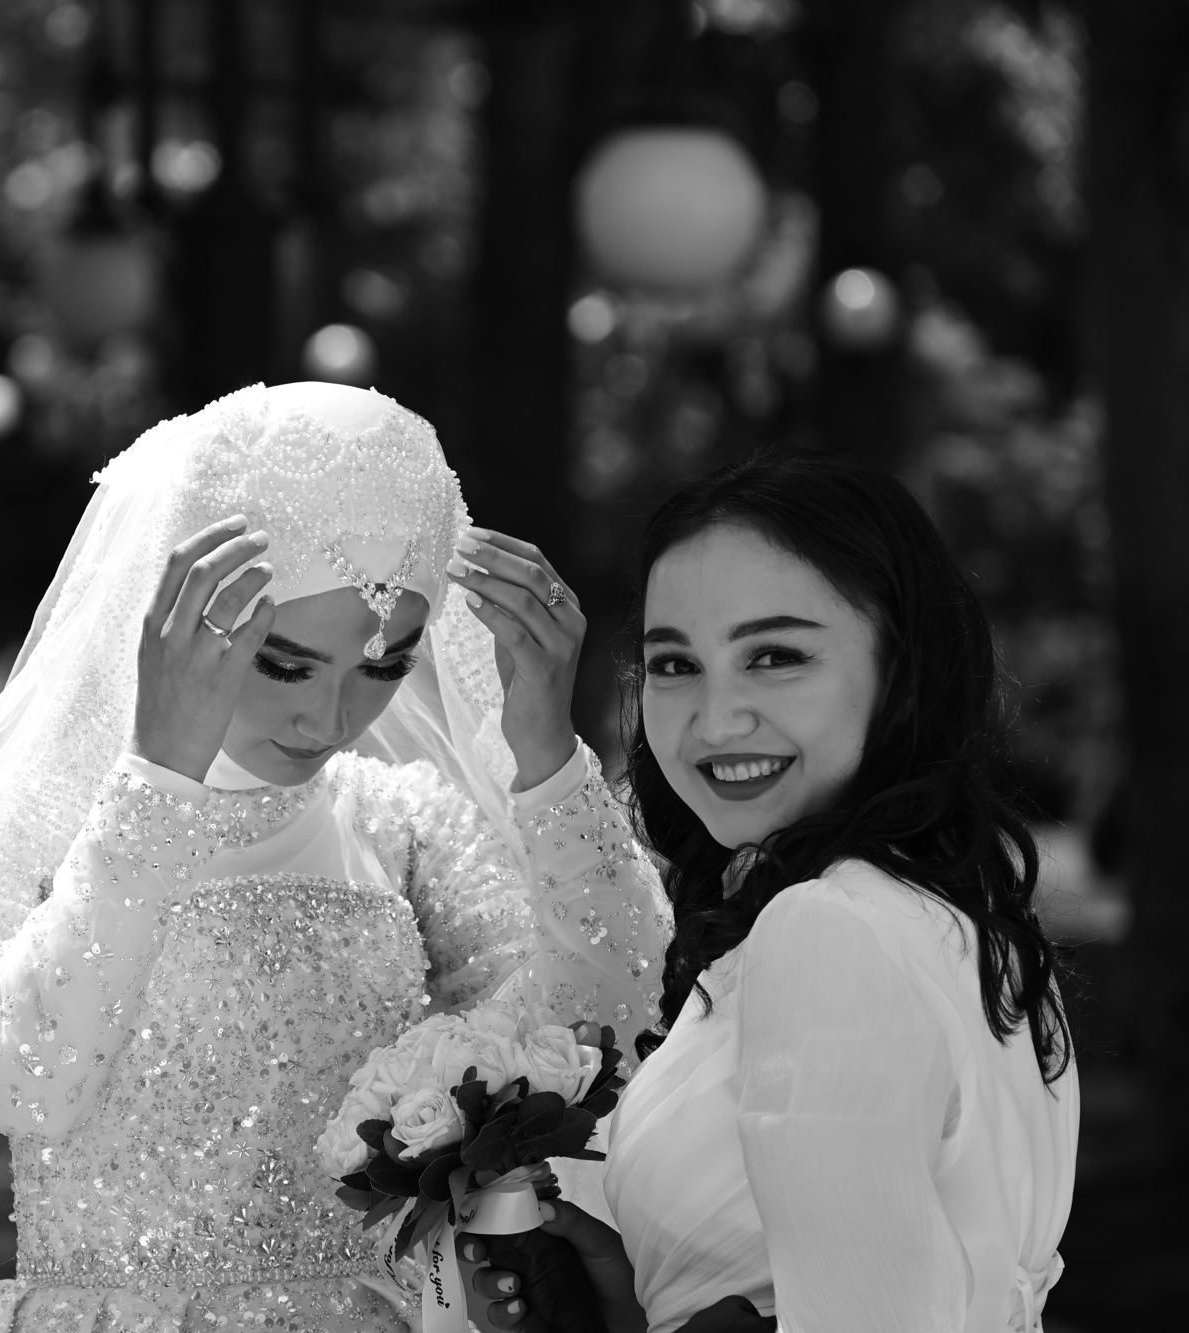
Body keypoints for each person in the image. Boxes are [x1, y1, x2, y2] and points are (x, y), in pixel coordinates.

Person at [0, 382, 670, 1333]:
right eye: (287, 662)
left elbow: (606, 1023)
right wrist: (157, 787)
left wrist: (547, 761)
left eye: (383, 668)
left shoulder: (404, 825)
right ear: (185, 610)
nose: (330, 718)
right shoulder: (47, 816)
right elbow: (26, 1083)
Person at [459, 449, 1079, 1333]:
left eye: (775, 655)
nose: (716, 720)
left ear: (902, 665)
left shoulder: (828, 930)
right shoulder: (977, 929)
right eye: (675, 664)